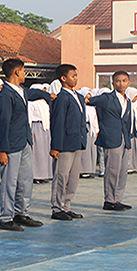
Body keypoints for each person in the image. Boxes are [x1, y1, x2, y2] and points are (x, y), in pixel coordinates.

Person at [0, 58, 53, 231]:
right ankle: (5, 218)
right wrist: (2, 150)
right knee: (9, 182)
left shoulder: (21, 91)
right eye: (24, 71)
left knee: (25, 180)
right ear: (17, 72)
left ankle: (21, 213)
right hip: (11, 144)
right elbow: (1, 124)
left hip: (25, 141)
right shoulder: (5, 95)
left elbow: (32, 94)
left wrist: (47, 95)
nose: (25, 74)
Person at [87, 71, 135, 211]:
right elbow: (90, 101)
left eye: (124, 81)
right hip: (111, 139)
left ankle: (118, 199)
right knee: (112, 171)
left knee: (122, 171)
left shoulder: (128, 101)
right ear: (113, 83)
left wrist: (128, 141)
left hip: (123, 139)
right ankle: (109, 200)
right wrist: (87, 97)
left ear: (128, 83)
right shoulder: (107, 98)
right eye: (118, 81)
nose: (121, 84)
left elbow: (127, 122)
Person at [49, 64, 87, 221]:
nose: (75, 78)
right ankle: (57, 208)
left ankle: (66, 205)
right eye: (73, 76)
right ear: (63, 78)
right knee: (61, 176)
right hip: (65, 143)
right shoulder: (62, 98)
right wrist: (56, 146)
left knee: (73, 178)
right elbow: (57, 123)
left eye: (76, 75)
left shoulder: (79, 96)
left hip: (77, 141)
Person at [29, 84, 53, 182]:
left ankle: (44, 174)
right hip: (36, 127)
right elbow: (29, 117)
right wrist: (29, 131)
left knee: (44, 152)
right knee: (37, 153)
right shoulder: (31, 103)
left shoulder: (44, 102)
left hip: (45, 128)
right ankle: (36, 175)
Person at [79, 87, 100, 177]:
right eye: (86, 97)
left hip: (92, 129)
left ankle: (89, 169)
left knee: (92, 150)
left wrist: (96, 130)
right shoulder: (81, 107)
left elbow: (95, 120)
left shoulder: (92, 108)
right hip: (85, 128)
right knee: (85, 151)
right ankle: (82, 170)